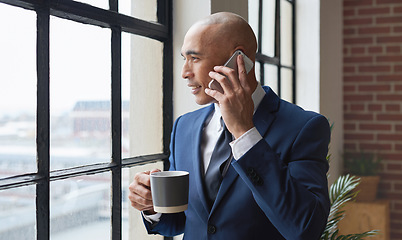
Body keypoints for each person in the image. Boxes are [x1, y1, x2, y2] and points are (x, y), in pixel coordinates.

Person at [128, 12, 331, 240]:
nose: (185, 72)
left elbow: (306, 228)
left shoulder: (304, 127)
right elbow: (185, 221)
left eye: (194, 58)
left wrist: (245, 133)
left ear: (238, 60)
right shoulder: (184, 126)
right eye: (183, 58)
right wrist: (152, 207)